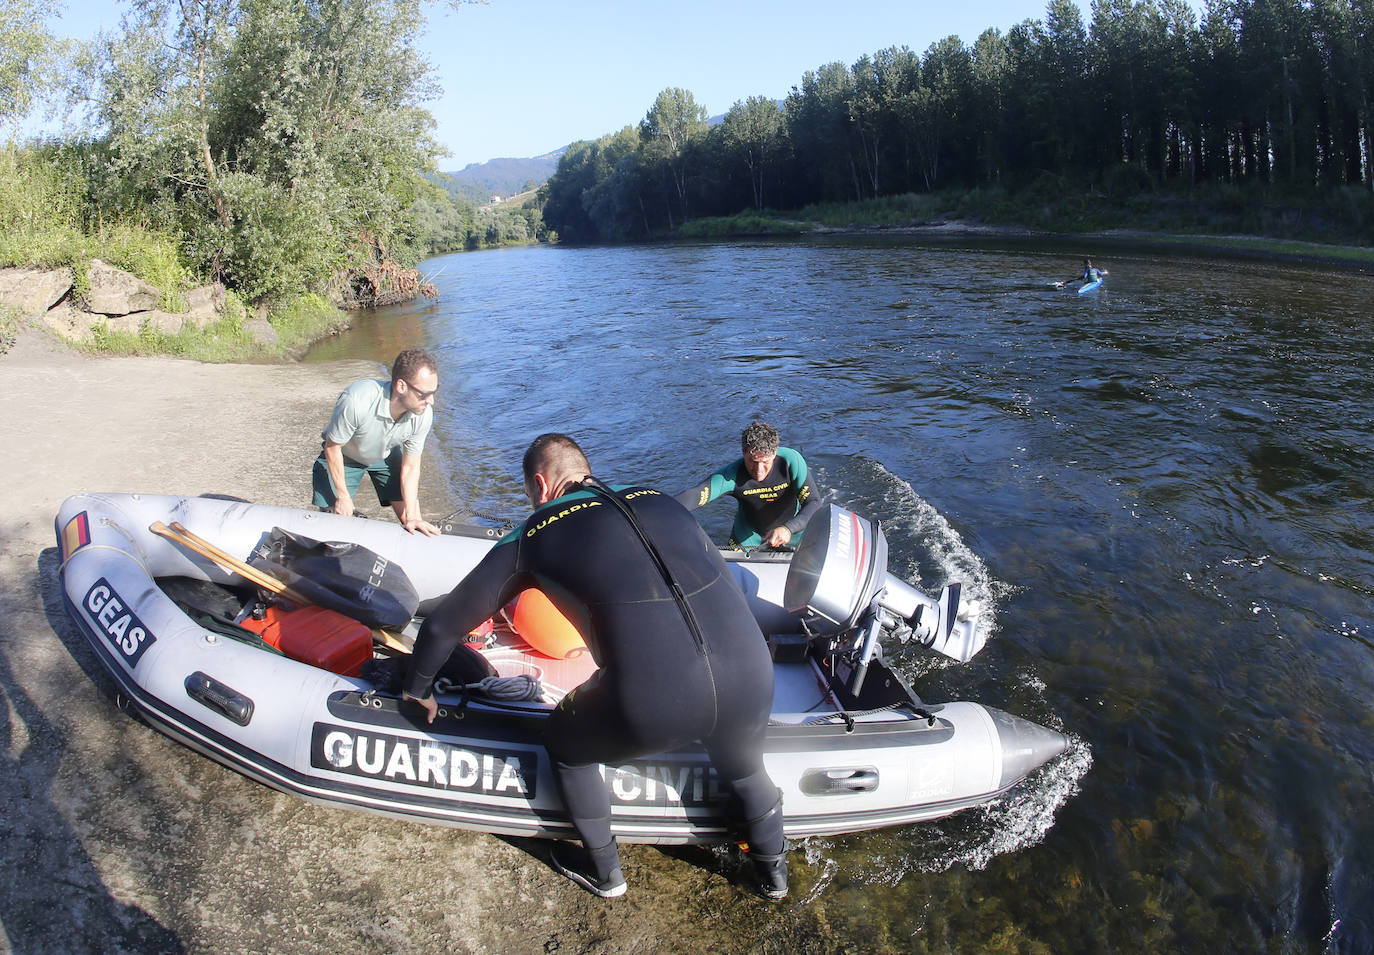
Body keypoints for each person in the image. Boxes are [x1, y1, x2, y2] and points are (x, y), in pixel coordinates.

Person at [402, 433, 788, 900]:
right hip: (751, 673)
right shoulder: (661, 499)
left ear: (540, 485)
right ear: (585, 470)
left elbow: (443, 626)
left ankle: (605, 873)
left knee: (564, 743)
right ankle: (773, 878)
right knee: (744, 769)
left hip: (656, 697)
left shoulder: (535, 531)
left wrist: (417, 689)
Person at [312, 348, 441, 536]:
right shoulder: (357, 400)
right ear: (401, 386)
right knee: (335, 522)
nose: (431, 401)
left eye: (434, 391)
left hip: (385, 455)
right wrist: (343, 496)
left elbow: (411, 466)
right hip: (345, 456)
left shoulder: (423, 414)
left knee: (411, 520)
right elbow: (332, 448)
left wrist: (413, 516)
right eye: (424, 394)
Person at [675, 420, 820, 550]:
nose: (759, 470)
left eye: (765, 462)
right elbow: (697, 494)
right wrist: (664, 509)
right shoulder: (732, 475)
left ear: (774, 454)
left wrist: (789, 529)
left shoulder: (790, 461)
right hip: (748, 537)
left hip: (792, 532)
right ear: (743, 452)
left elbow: (813, 502)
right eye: (753, 461)